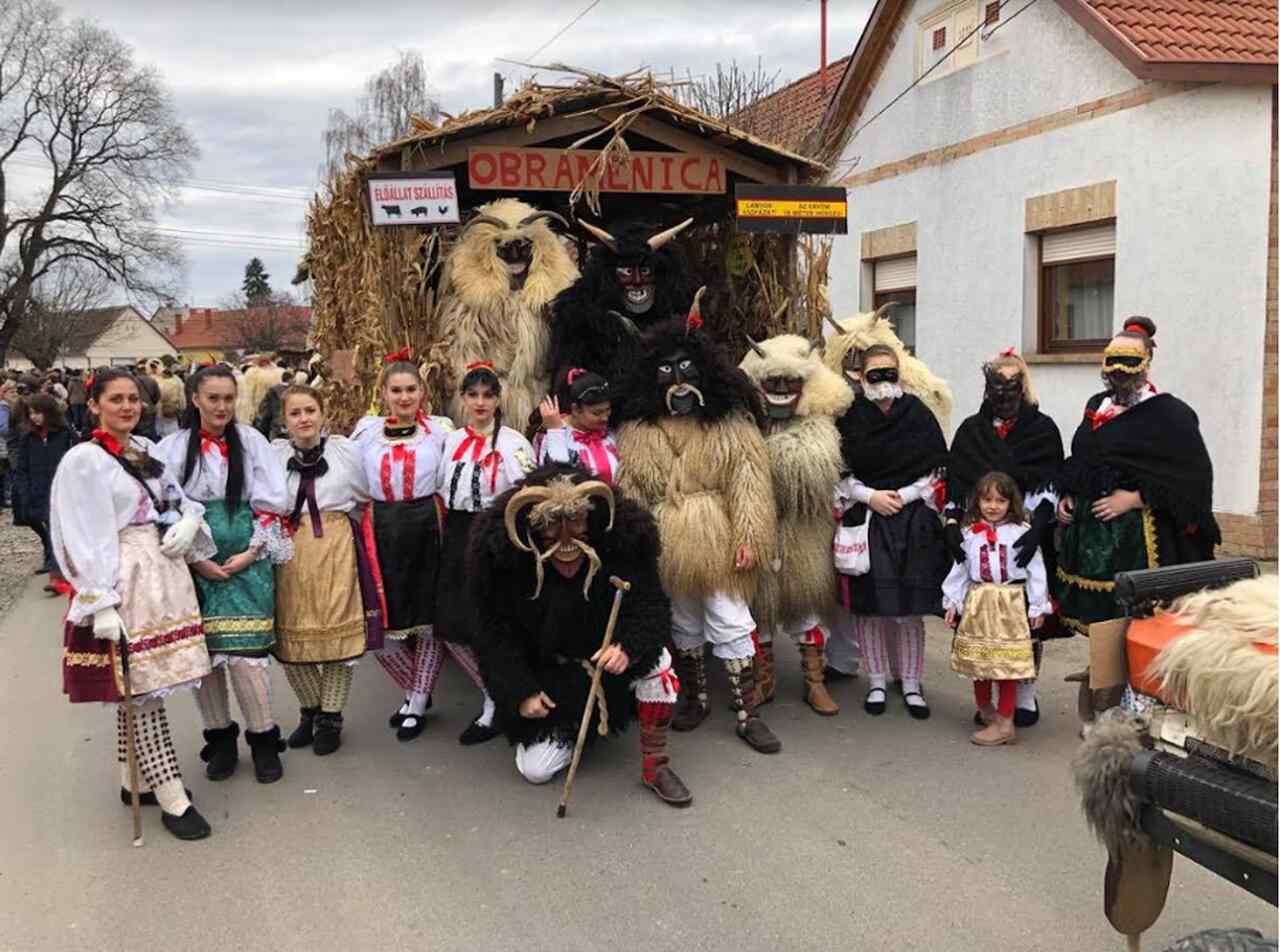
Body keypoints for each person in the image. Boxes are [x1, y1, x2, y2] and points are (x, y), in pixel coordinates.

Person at [50, 368, 215, 840]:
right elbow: (81, 531)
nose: (127, 406)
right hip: (124, 575)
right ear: (95, 405)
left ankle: (133, 780)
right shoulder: (84, 461)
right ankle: (172, 797)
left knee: (146, 683)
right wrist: (98, 598)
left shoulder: (143, 451)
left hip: (162, 572)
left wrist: (188, 520)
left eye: (133, 399)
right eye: (116, 399)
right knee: (140, 688)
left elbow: (175, 497)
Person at [613, 293, 782, 754]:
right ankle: (696, 698)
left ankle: (748, 714)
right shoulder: (638, 433)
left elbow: (749, 482)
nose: (678, 382)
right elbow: (632, 491)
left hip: (719, 535)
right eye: (666, 373)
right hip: (668, 541)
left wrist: (750, 535)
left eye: (686, 370)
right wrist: (636, 545)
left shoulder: (730, 425)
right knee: (684, 620)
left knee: (730, 618)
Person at [470, 465, 691, 805]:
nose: (566, 542)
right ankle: (577, 728)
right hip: (552, 676)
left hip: (607, 664)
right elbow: (494, 637)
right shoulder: (509, 570)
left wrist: (627, 647)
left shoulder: (622, 551)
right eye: (551, 529)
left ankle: (654, 764)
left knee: (658, 660)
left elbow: (650, 607)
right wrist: (521, 693)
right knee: (535, 771)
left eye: (576, 527)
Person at [157, 366, 292, 784]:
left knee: (247, 658)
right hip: (193, 563)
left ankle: (264, 739)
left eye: (228, 398)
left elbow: (273, 501)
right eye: (212, 398)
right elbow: (164, 508)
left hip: (247, 558)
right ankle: (220, 741)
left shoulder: (251, 441)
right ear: (194, 398)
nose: (221, 406)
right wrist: (198, 559)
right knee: (206, 659)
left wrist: (252, 552)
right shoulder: (173, 448)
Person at [1055, 318, 1218, 632]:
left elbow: (1191, 477)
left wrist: (1134, 498)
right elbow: (1084, 457)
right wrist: (1069, 493)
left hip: (1139, 539)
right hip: (1091, 539)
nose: (1119, 373)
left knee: (1137, 618)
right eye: (1113, 365)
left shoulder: (1170, 414)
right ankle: (1103, 676)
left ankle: (1135, 677)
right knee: (1101, 625)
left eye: (1129, 365)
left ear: (1147, 364)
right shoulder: (1096, 405)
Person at [946, 349, 1065, 727]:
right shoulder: (970, 430)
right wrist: (951, 524)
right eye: (996, 385)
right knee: (985, 622)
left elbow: (1052, 480)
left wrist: (1040, 527)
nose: (1003, 393)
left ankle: (1024, 693)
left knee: (1028, 621)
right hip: (979, 535)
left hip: (1028, 533)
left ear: (1023, 386)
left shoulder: (1042, 428)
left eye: (1011, 385)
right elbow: (956, 482)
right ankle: (987, 697)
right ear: (986, 387)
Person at [738, 333, 852, 715]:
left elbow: (813, 475)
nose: (782, 389)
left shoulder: (820, 425)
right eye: (773, 382)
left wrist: (768, 461)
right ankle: (764, 677)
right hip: (761, 529)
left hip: (804, 530)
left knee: (807, 607)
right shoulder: (746, 424)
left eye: (791, 381)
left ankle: (814, 681)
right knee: (761, 608)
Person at [834, 344, 949, 720]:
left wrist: (906, 494)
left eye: (889, 373)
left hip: (912, 521)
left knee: (907, 608)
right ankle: (877, 681)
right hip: (868, 520)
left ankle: (912, 683)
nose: (883, 382)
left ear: (900, 374)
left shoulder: (917, 414)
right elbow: (838, 472)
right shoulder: (851, 419)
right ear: (861, 378)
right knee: (871, 609)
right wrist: (871, 496)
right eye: (874, 375)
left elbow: (937, 468)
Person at [349, 356, 454, 742]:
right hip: (383, 528)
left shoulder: (440, 432)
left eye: (411, 389)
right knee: (381, 627)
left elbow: (448, 477)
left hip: (428, 523)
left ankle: (418, 698)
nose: (404, 396)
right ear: (383, 394)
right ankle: (413, 693)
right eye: (396, 390)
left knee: (427, 619)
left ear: (422, 393)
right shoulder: (366, 433)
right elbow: (355, 483)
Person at [273, 386, 379, 756]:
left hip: (335, 545)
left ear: (322, 414)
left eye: (310, 410)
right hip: (289, 549)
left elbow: (366, 495)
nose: (304, 418)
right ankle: (311, 710)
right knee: (289, 636)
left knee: (337, 635)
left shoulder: (344, 452)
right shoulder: (273, 456)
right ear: (285, 419)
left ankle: (331, 718)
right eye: (295, 413)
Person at [434, 361, 537, 744]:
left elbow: (528, 493)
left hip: (497, 533)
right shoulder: (450, 441)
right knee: (457, 621)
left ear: (498, 399)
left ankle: (506, 699)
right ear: (462, 399)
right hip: (460, 531)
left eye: (488, 395)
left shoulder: (514, 443)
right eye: (473, 395)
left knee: (496, 619)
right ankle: (492, 693)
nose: (480, 403)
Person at [943, 472, 1051, 746]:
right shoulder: (968, 533)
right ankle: (985, 709)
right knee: (980, 663)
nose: (993, 506)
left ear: (1011, 502)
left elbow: (1036, 570)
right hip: (978, 602)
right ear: (977, 501)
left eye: (1000, 500)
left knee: (1006, 664)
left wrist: (1038, 606)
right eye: (987, 499)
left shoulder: (1022, 532)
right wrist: (953, 602)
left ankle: (1005, 721)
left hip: (1009, 604)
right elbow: (961, 571)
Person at [12, 393, 75, 585]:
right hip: (37, 491)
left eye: (38, 412)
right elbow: (22, 467)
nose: (34, 417)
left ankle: (57, 576)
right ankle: (52, 555)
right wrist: (24, 491)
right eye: (31, 413)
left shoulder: (66, 434)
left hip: (61, 492)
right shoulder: (28, 438)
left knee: (59, 531)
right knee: (43, 526)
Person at [535, 368, 619, 484]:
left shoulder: (609, 433)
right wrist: (555, 432)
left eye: (607, 410)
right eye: (596, 413)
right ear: (575, 409)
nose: (605, 418)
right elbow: (558, 477)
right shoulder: (555, 435)